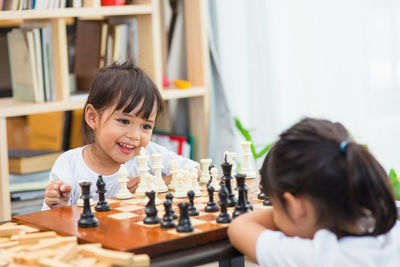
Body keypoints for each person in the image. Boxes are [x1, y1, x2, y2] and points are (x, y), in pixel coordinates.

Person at [228, 118, 400, 266]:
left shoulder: (318, 257)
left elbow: (238, 227)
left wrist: (285, 208)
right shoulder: (392, 231)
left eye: (275, 205)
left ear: (297, 206)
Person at [43, 62, 199, 210]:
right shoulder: (69, 165)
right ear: (92, 117)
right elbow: (51, 221)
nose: (134, 136)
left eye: (146, 126)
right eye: (124, 121)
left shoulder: (150, 154)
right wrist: (59, 205)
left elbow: (196, 171)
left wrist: (157, 183)